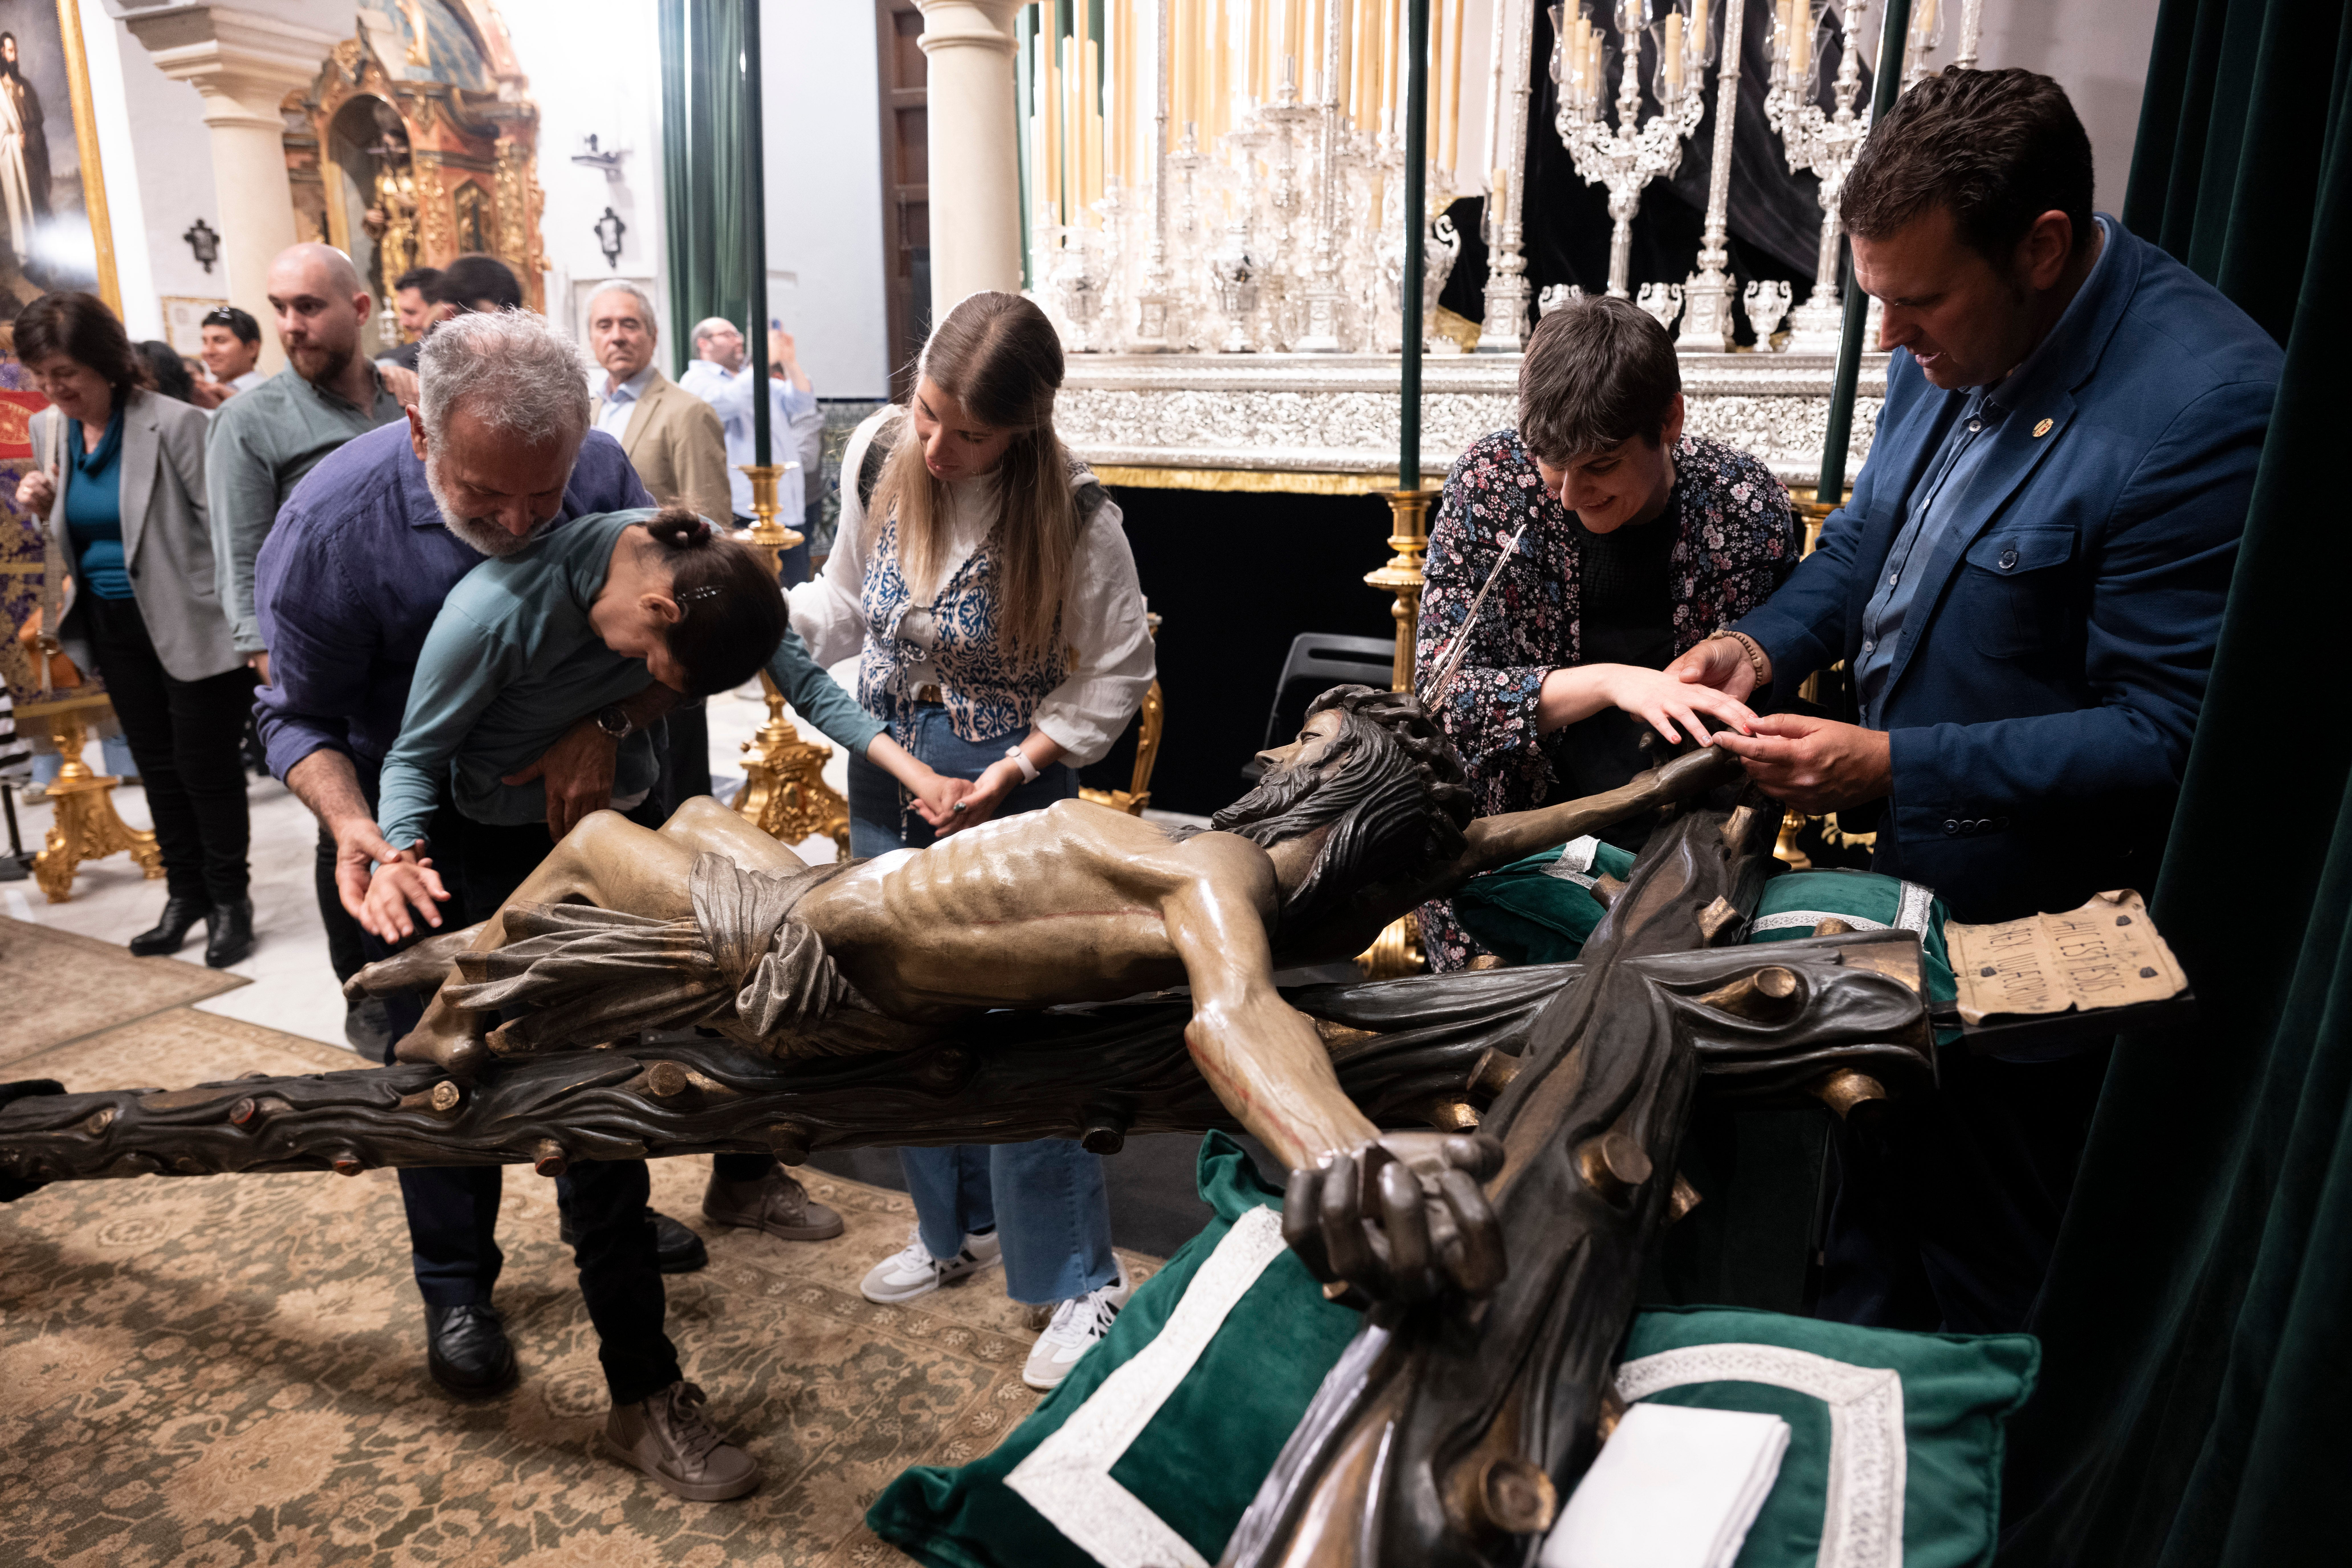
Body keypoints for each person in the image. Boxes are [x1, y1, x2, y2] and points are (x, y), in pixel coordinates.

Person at [1666, 69, 2285, 1334]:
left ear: (2043, 249)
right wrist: (1758, 642)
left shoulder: (2207, 405)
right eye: (1876, 298)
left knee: (1981, 1317)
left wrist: (1891, 764)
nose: (1888, 339)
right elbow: (1868, 540)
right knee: (1858, 1274)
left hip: (2042, 986)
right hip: (1900, 933)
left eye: (1918, 301)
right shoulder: (1935, 323)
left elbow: (2167, 737)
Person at [250, 307, 844, 1424]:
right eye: (486, 498)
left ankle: (608, 1240)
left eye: (546, 491)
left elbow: (683, 649)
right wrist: (354, 827)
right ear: (420, 427)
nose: (522, 522)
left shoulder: (609, 470)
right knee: (441, 1064)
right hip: (416, 838)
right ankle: (459, 1287)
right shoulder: (332, 525)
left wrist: (612, 724)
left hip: (582, 826)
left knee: (604, 1047)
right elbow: (292, 721)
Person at [354, 506, 786, 1500]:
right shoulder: (489, 617)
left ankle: (641, 1395)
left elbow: (695, 668)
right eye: (660, 672)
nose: (654, 692)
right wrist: (401, 861)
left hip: (596, 846)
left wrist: (605, 723)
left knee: (606, 1127)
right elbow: (414, 756)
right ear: (656, 607)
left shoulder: (686, 561)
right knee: (449, 1091)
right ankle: (458, 1291)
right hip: (476, 863)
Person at [791, 289, 1154, 1391]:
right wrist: (753, 604)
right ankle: (949, 1232)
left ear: (1021, 431)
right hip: (888, 769)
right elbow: (844, 607)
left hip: (1011, 780)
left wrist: (1009, 771)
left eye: (968, 431)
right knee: (899, 1004)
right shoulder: (879, 453)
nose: (936, 443)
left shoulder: (1077, 515)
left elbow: (1115, 671)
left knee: (1017, 1028)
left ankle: (1082, 1280)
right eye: (928, 410)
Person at [1414, 295, 1790, 971]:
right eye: (1548, 461)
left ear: (1669, 421)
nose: (1565, 494)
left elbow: (1755, 716)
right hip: (1500, 865)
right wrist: (1615, 683)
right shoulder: (1493, 483)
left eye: (1600, 466)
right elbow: (1444, 701)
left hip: (1684, 874)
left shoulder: (1742, 503)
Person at [206, 243, 417, 1044]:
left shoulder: (404, 397)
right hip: (325, 661)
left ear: (358, 311)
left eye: (309, 306)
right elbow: (241, 555)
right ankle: (365, 985)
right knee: (349, 828)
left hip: (416, 651)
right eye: (281, 307)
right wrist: (269, 662)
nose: (292, 325)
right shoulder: (250, 422)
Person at [13, 293, 255, 965]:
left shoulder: (176, 425)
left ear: (105, 362)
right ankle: (186, 897)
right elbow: (76, 529)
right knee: (156, 767)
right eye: (41, 375)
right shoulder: (51, 433)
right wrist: (40, 505)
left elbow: (227, 533)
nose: (54, 388)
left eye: (66, 372)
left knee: (205, 770)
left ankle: (232, 901)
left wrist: (248, 628)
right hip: (112, 622)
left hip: (193, 620)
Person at [587, 281, 732, 803]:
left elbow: (713, 523)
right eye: (605, 325)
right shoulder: (587, 411)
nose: (618, 336)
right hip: (606, 619)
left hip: (669, 618)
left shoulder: (685, 412)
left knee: (677, 777)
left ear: (652, 335)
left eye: (630, 324)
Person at [678, 317, 825, 580]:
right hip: (745, 508)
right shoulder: (696, 380)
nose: (739, 340)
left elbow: (802, 403)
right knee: (759, 591)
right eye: (728, 335)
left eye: (738, 335)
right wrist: (762, 363)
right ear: (704, 344)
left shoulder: (754, 379)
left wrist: (790, 361)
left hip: (786, 504)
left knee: (796, 588)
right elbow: (725, 404)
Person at [374, 265, 447, 373]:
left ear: (442, 309)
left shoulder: (396, 363)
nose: (403, 322)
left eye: (411, 313)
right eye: (402, 312)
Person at [197, 305, 266, 400]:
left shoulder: (267, 396)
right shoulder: (204, 392)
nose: (209, 352)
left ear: (252, 348)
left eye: (220, 341)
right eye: (205, 342)